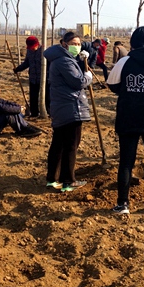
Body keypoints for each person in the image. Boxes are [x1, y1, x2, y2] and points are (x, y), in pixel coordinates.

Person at [107, 26, 144, 215]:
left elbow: (112, 84)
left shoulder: (125, 61)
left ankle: (122, 204)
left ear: (133, 42)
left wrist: (129, 91)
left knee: (126, 161)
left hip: (129, 117)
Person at [44, 31, 93, 192]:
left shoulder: (62, 59)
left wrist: (81, 61)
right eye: (73, 44)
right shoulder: (64, 61)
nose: (77, 47)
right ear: (64, 44)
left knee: (58, 143)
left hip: (61, 107)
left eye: (79, 44)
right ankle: (68, 181)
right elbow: (77, 82)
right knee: (71, 145)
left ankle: (52, 178)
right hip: (70, 107)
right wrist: (87, 76)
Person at [14, 36, 43, 118]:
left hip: (44, 78)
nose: (32, 49)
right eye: (30, 48)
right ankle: (34, 113)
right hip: (33, 77)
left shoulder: (43, 51)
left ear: (37, 44)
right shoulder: (29, 51)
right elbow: (27, 62)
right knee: (33, 97)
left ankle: (47, 113)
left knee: (46, 97)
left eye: (33, 47)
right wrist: (18, 69)